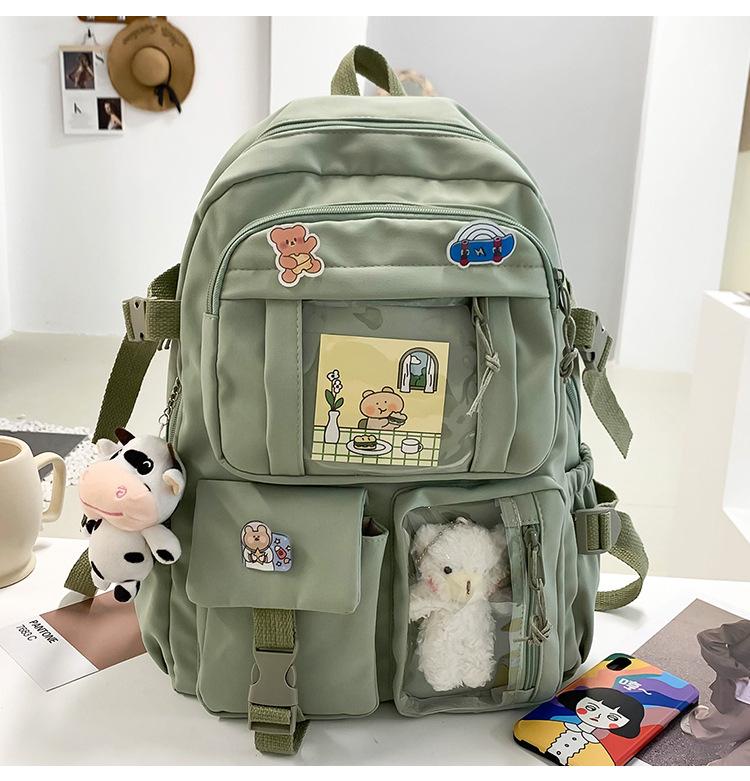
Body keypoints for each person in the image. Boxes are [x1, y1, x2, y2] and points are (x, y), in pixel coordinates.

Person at [514, 686, 645, 765]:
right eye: (591, 708)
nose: (598, 716)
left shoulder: (600, 752)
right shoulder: (546, 726)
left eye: (612, 718)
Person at [681, 619, 750, 766]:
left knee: (730, 731)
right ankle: (700, 726)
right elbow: (709, 639)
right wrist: (738, 671)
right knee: (728, 726)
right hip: (743, 697)